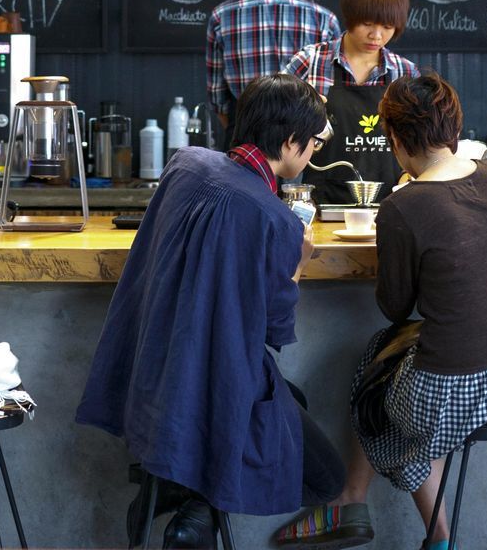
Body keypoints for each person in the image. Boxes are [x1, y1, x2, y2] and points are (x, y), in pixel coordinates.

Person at [275, 73, 487, 550]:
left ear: (397, 140)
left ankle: (407, 525)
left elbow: (395, 307)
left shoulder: (406, 205)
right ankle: (372, 510)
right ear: (454, 126)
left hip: (455, 397)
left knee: (377, 386)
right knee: (393, 365)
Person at [78, 75, 345, 547]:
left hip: (152, 374)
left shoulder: (186, 165)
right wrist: (297, 264)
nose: (312, 156)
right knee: (327, 479)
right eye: (313, 144)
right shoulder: (275, 220)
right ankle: (194, 513)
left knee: (289, 401)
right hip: (217, 387)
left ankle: (178, 493)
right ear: (288, 142)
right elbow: (275, 330)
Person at [283, 0, 417, 204]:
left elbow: (419, 143)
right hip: (320, 206)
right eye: (367, 23)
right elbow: (271, 123)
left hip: (390, 208)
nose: (376, 35)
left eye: (387, 27)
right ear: (350, 15)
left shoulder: (405, 73)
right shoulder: (309, 63)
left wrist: (409, 177)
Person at [204, 0, 340, 130]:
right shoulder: (325, 19)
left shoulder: (221, 16)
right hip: (302, 128)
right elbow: (333, 85)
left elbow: (217, 94)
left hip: (246, 124)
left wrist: (237, 129)